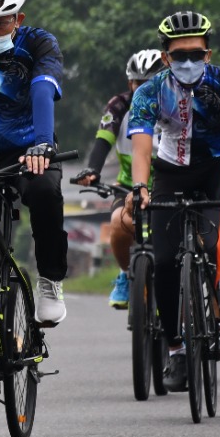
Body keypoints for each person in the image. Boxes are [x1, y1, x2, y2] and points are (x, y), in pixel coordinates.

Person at [128, 10, 220, 392]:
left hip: (218, 166)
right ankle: (176, 349)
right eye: (179, 55)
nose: (188, 62)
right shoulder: (149, 92)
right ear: (164, 57)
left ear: (208, 55)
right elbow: (141, 150)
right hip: (171, 171)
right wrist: (140, 188)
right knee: (165, 262)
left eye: (196, 54)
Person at [0, 0, 69, 325]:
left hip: (26, 148)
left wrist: (42, 144)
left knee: (44, 190)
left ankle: (50, 280)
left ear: (18, 19)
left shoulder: (39, 43)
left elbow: (43, 88)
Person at [74, 49, 165, 309]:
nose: (142, 89)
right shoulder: (119, 105)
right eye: (138, 83)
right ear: (130, 83)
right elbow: (104, 140)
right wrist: (93, 170)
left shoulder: (174, 104)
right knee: (117, 222)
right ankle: (126, 274)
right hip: (129, 185)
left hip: (169, 184)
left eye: (149, 83)